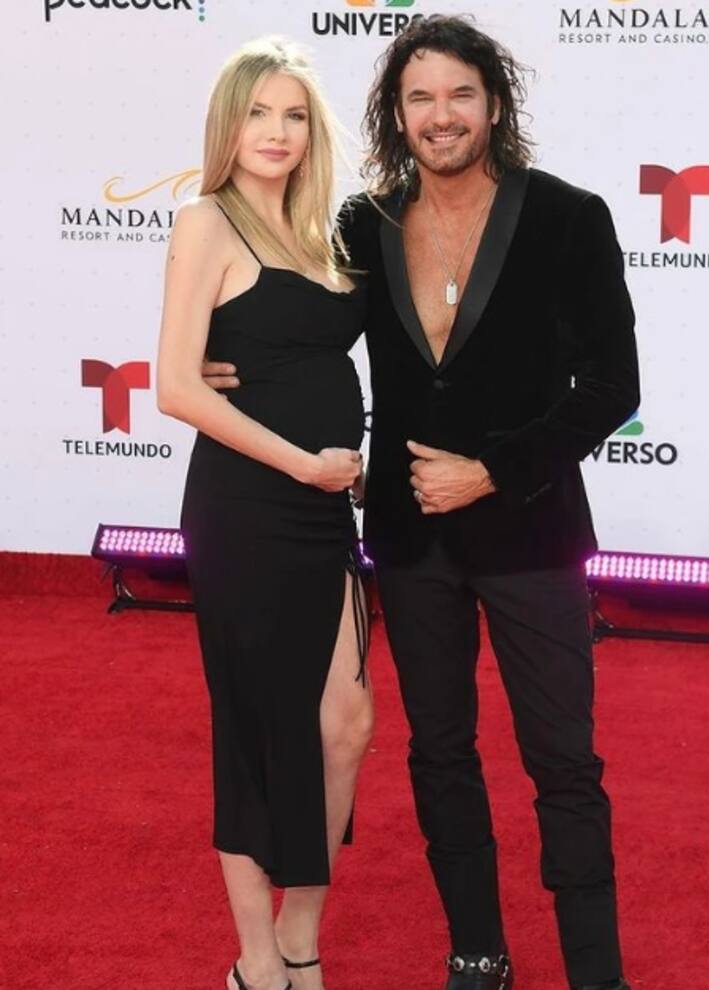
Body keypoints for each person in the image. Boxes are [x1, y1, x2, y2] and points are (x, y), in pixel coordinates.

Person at [204, 15, 639, 990]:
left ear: (495, 105)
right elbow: (305, 323)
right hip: (410, 542)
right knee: (440, 754)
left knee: (563, 762)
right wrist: (220, 358)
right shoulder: (364, 224)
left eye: (459, 95)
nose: (441, 115)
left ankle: (596, 973)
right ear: (395, 116)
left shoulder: (569, 217)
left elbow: (614, 387)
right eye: (419, 98)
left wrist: (491, 470)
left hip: (531, 533)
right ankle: (476, 951)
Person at [157, 37, 374, 990]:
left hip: (327, 510)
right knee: (253, 727)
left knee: (346, 724)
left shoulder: (329, 234)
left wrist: (345, 470)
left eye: (293, 115)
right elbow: (175, 385)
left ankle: (300, 931)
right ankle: (258, 961)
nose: (276, 132)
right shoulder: (206, 220)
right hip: (246, 508)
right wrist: (303, 463)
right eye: (257, 113)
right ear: (228, 125)